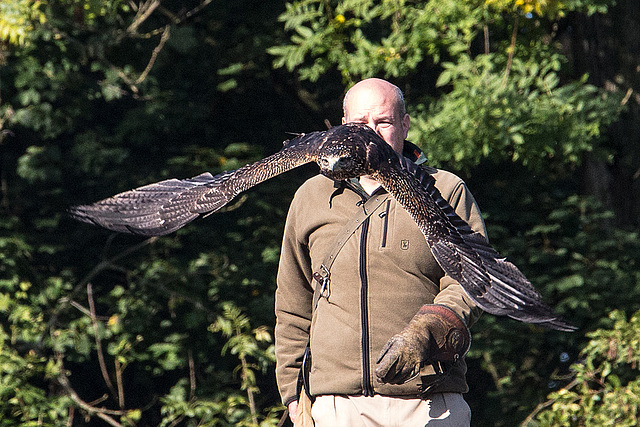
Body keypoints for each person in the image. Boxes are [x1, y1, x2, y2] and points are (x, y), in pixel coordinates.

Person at [274, 78, 487, 426]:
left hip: (428, 402)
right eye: (360, 124)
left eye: (383, 122)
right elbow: (293, 303)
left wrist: (427, 331)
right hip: (336, 405)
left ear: (405, 123)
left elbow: (472, 282)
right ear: (344, 127)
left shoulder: (445, 189)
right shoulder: (310, 197)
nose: (370, 134)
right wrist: (292, 393)